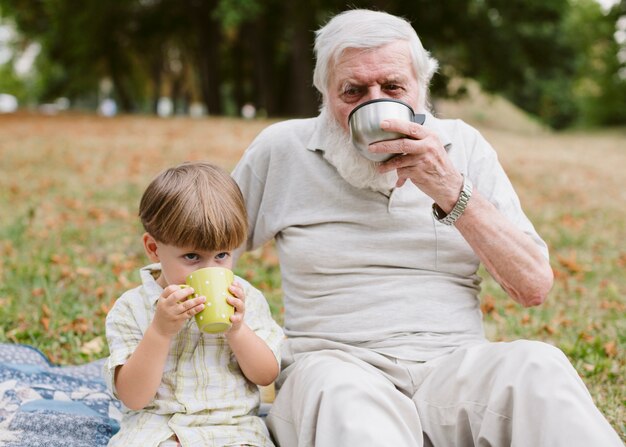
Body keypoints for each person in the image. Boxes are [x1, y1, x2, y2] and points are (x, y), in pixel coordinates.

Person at [231, 9, 623, 447]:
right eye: (353, 91)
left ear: (422, 89)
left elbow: (532, 286)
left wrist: (450, 188)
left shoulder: (464, 145)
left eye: (393, 87)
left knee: (538, 367)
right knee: (341, 398)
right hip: (334, 366)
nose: (373, 104)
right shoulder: (282, 149)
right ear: (324, 92)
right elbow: (201, 248)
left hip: (453, 369)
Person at [104, 162, 283, 447]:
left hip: (233, 429)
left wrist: (237, 331)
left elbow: (266, 376)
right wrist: (159, 333)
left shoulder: (244, 299)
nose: (210, 268)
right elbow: (133, 397)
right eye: (192, 257)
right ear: (153, 248)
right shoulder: (131, 309)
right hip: (158, 429)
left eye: (222, 255)